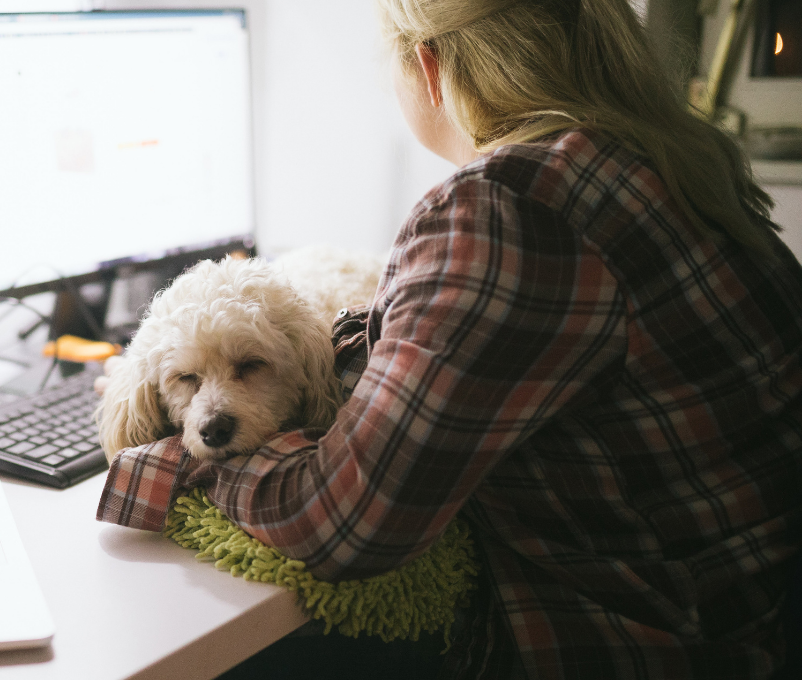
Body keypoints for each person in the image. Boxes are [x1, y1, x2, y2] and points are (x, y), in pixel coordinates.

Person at [94, 0, 802, 678]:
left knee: (161, 650)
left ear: (427, 66)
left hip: (621, 649)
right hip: (749, 626)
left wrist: (168, 459)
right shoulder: (680, 162)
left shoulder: (504, 209)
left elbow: (343, 524)